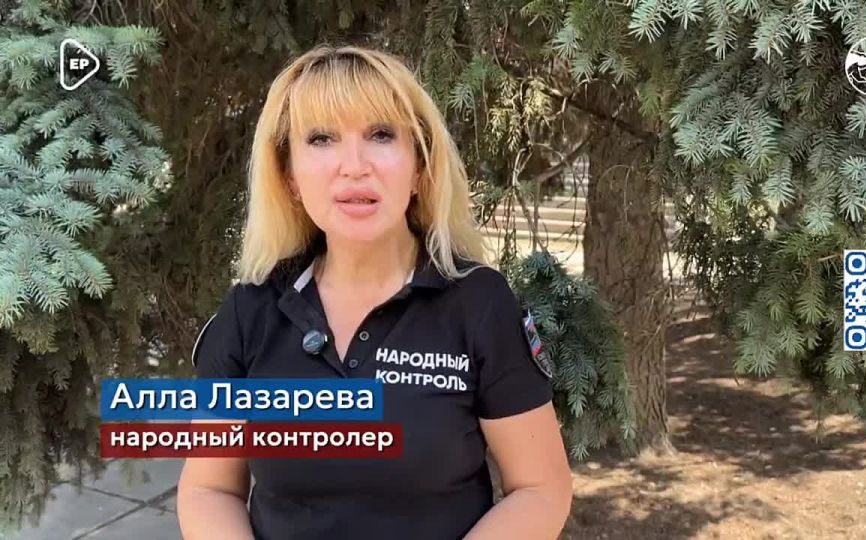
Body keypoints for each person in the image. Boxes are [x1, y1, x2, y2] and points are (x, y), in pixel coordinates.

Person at [177, 45, 573, 540]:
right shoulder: (250, 311)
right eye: (321, 138)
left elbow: (540, 489)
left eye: (381, 135)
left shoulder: (478, 304)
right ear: (289, 176)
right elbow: (209, 489)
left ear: (420, 167)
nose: (354, 165)